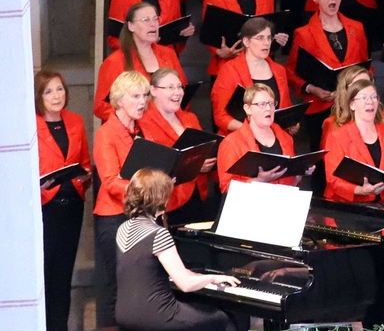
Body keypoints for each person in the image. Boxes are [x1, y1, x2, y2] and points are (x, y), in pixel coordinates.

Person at [115, 168, 246, 331]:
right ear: (160, 198)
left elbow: (154, 271)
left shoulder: (123, 228)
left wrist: (200, 277)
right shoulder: (158, 234)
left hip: (125, 314)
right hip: (159, 316)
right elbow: (185, 284)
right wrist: (213, 277)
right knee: (224, 319)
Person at [286, 0, 369, 163]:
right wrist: (312, 89)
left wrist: (357, 87)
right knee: (323, 163)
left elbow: (366, 67)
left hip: (353, 106)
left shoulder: (356, 28)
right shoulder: (303, 34)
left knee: (355, 160)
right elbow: (290, 73)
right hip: (320, 108)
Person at [92, 70, 150, 331]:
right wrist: (148, 191)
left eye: (145, 95)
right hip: (114, 217)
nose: (142, 101)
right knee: (116, 284)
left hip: (138, 216)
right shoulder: (106, 133)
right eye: (135, 96)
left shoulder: (140, 131)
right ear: (119, 99)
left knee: (138, 283)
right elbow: (110, 181)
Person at [36, 70, 91, 331]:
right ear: (38, 97)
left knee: (63, 273)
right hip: (45, 208)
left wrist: (84, 176)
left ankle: (60, 326)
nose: (56, 96)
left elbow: (85, 162)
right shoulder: (31, 125)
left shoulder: (75, 121)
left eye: (59, 89)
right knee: (44, 273)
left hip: (72, 207)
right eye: (48, 91)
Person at [143, 68, 216, 224]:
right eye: (170, 87)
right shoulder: (143, 121)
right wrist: (194, 165)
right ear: (153, 90)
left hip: (196, 193)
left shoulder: (190, 118)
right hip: (165, 200)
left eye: (179, 87)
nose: (177, 92)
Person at [216, 83, 315, 192]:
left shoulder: (286, 138)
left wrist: (299, 174)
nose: (268, 108)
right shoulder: (231, 143)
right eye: (262, 104)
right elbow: (226, 186)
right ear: (248, 109)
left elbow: (291, 184)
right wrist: (259, 181)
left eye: (271, 103)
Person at [95, 2, 185, 122]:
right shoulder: (114, 62)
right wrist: (133, 117)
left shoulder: (169, 54)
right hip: (134, 127)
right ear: (131, 26)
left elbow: (183, 90)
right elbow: (100, 106)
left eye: (155, 19)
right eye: (145, 20)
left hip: (168, 124)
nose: (153, 24)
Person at [324, 79, 384, 203]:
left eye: (374, 97)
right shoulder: (337, 137)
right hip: (350, 207)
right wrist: (360, 190)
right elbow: (332, 179)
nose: (370, 102)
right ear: (352, 105)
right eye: (363, 98)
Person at [211, 17, 293, 136]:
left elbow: (286, 107)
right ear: (246, 41)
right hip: (241, 139)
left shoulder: (279, 70)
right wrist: (254, 131)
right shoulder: (229, 70)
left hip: (275, 138)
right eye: (260, 38)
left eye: (269, 38)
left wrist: (291, 124)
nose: (266, 42)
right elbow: (220, 116)